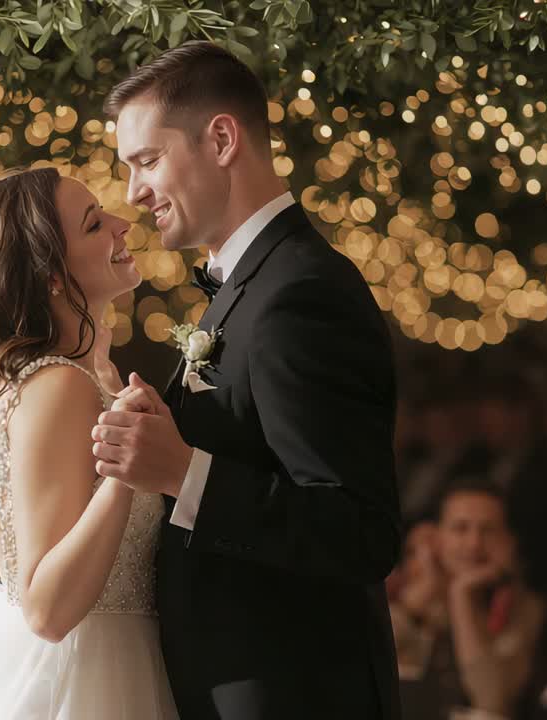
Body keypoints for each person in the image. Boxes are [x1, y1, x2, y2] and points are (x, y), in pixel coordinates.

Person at [92, 41, 402, 719]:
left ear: (222, 139)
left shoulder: (301, 294)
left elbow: (360, 531)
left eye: (146, 161)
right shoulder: (249, 287)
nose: (133, 192)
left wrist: (186, 472)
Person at [0, 167, 177, 718]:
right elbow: (45, 608)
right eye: (95, 224)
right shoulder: (59, 387)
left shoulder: (92, 379)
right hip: (87, 676)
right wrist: (123, 472)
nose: (122, 222)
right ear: (51, 274)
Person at [388, 480, 545, 719]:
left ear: (509, 542)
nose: (474, 544)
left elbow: (490, 702)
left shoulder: (523, 608)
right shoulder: (418, 600)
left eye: (488, 530)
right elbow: (359, 664)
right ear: (436, 538)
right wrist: (422, 595)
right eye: (460, 528)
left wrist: (461, 596)